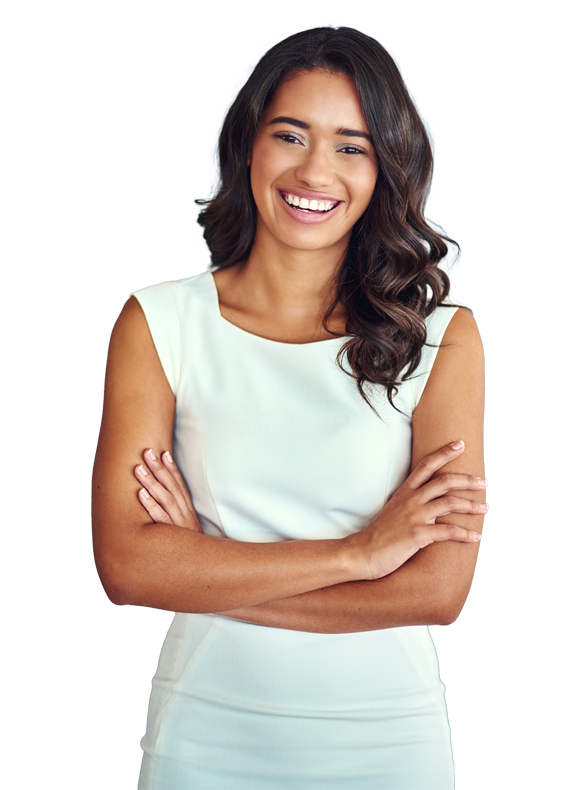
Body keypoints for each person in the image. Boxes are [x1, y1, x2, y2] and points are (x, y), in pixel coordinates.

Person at [92, 25, 486, 790]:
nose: (316, 169)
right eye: (291, 134)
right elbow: (131, 568)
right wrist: (359, 555)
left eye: (352, 145)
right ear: (248, 146)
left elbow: (437, 592)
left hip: (389, 742)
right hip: (202, 736)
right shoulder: (159, 323)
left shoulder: (444, 338)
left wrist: (204, 565)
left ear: (384, 170)